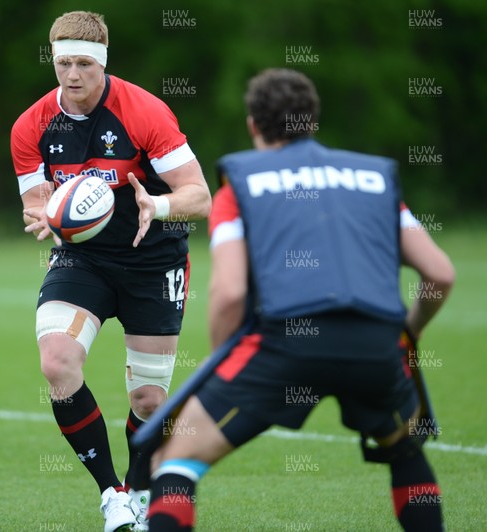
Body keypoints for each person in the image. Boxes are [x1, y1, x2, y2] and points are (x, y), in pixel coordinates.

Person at [145, 68, 454, 531]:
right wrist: (407, 332)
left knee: (174, 459)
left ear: (253, 125)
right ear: (313, 119)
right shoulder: (374, 178)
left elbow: (229, 293)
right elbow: (440, 274)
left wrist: (224, 363)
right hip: (374, 343)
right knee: (404, 450)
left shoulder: (240, 186)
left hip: (283, 343)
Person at [10, 11, 211, 532]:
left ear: (101, 63)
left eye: (82, 63)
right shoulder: (31, 127)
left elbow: (200, 196)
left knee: (148, 398)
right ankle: (112, 495)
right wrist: (42, 214)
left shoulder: (144, 112)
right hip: (84, 259)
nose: (71, 75)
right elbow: (37, 201)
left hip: (154, 259)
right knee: (57, 363)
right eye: (62, 63)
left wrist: (159, 206)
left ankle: (141, 489)